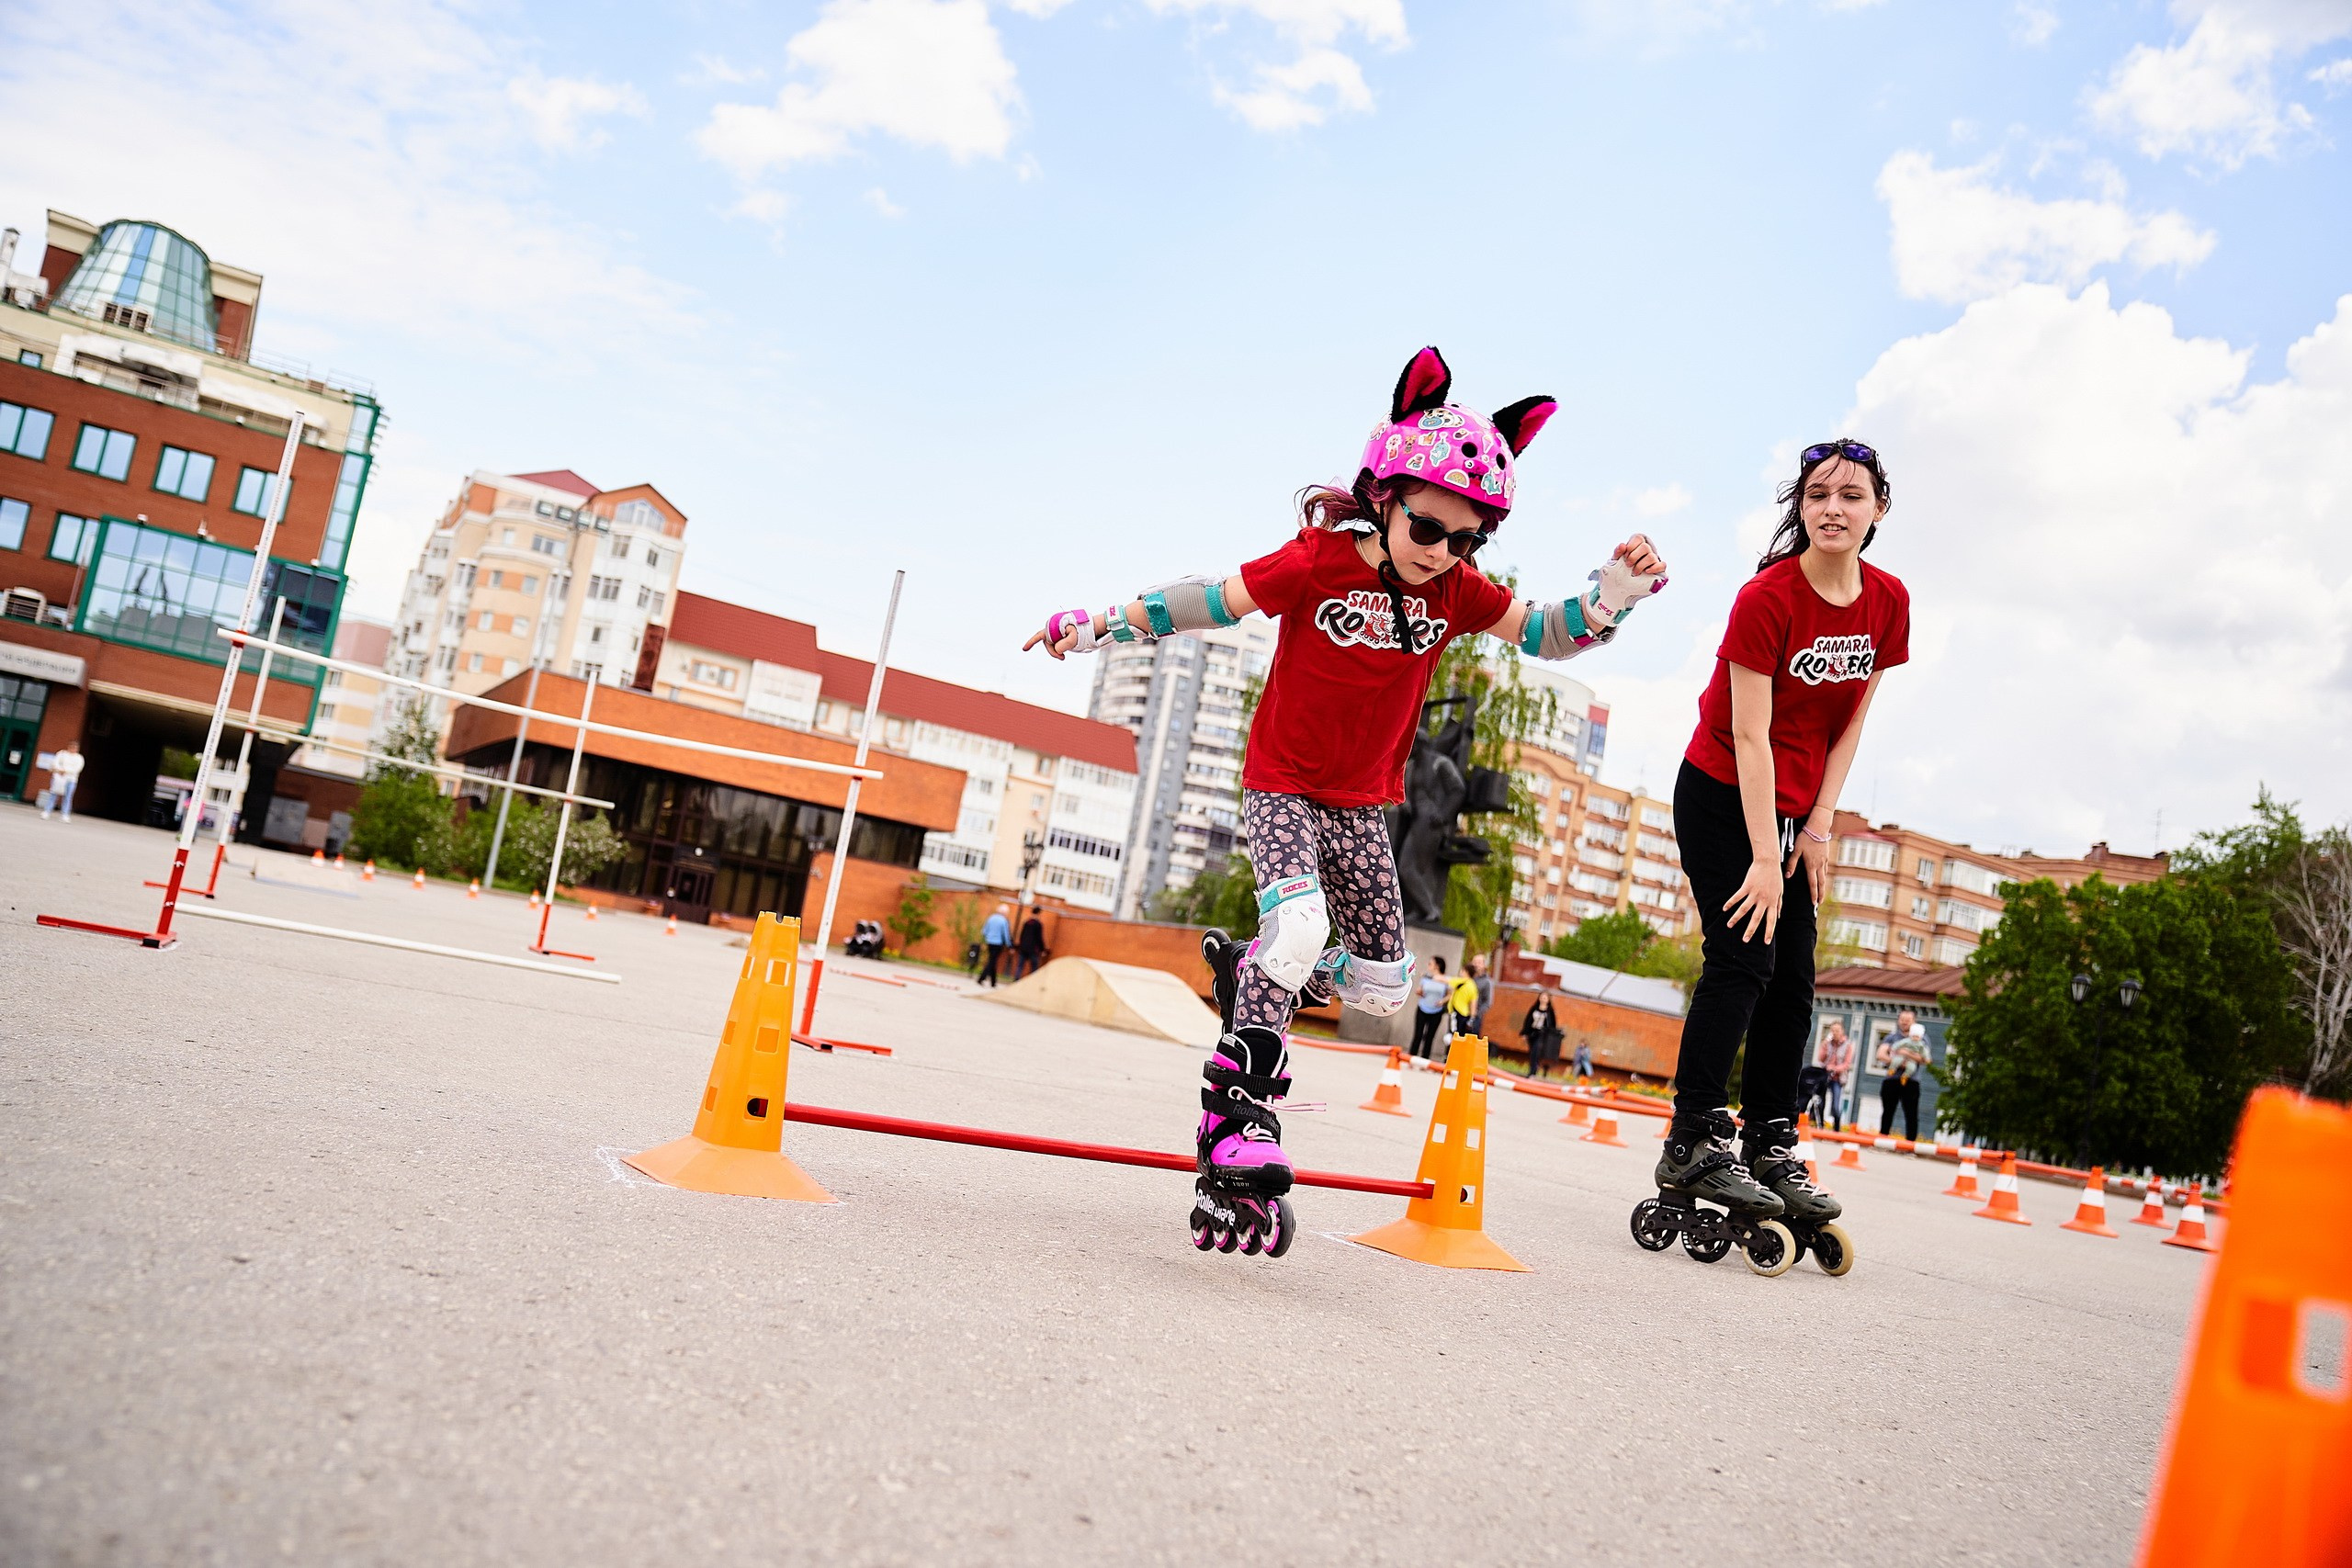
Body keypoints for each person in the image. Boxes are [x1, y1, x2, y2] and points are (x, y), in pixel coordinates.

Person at [1026, 345, 1667, 1254]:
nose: (1444, 554)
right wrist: (1099, 624)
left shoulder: (1454, 590)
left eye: (1468, 541)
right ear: (1382, 497)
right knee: (1297, 932)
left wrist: (1614, 595)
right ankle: (1239, 1112)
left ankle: (1250, 976)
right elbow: (1208, 599)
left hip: (1361, 803)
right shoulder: (1316, 562)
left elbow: (1546, 636)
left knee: (1381, 990)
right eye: (1429, 531)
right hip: (1282, 783)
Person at [1647, 438, 1908, 1252]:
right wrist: (1767, 855)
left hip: (1796, 811)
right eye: (1819, 493)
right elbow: (1751, 735)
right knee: (1741, 957)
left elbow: (1853, 718)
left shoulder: (1889, 601)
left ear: (1878, 510)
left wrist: (1821, 827)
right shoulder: (1766, 599)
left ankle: (1770, 1139)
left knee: (1795, 977)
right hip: (1725, 792)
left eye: (1852, 494)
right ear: (1800, 506)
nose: (1834, 506)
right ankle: (1693, 1136)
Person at [1879, 1011, 1931, 1140]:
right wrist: (1898, 1062)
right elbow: (1881, 1054)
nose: (1904, 1022)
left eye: (1908, 1020)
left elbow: (1925, 1058)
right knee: (1887, 1111)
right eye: (1902, 1019)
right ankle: (1883, 1139)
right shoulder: (1891, 1037)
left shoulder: (1923, 1038)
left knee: (1911, 1113)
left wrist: (1904, 1053)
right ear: (1898, 1021)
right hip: (1892, 1079)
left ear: (1914, 1022)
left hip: (1911, 1080)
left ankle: (1910, 1145)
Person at [1815, 1020, 1856, 1130]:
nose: (1834, 1033)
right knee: (1820, 1101)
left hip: (1838, 1078)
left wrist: (1835, 1069)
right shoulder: (1827, 1044)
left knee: (1836, 1104)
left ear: (1842, 1031)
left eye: (1837, 1030)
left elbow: (1847, 1064)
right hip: (1825, 1076)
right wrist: (1824, 1045)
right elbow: (1821, 1059)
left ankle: (1836, 1128)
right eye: (1832, 1030)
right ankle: (1820, 1126)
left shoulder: (1848, 1045)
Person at [1409, 954, 1452, 1061]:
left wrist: (1442, 1001)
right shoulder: (1426, 978)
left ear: (1437, 966)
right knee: (1418, 1034)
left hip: (1436, 1011)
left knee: (1429, 1037)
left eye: (1430, 964)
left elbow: (1449, 994)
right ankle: (1411, 1057)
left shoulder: (1445, 980)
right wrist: (1419, 992)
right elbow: (1420, 990)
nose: (1428, 966)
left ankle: (1424, 1059)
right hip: (1423, 1008)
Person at [1521, 989, 1562, 1078]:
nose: (1543, 999)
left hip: (1542, 1035)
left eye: (1545, 998)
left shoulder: (1549, 1011)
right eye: (1542, 997)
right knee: (1532, 1052)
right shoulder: (1534, 1008)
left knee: (1536, 1051)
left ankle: (1533, 1072)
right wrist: (1525, 1033)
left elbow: (1553, 1024)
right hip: (1532, 1033)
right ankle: (1532, 1069)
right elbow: (1528, 1020)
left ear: (1548, 999)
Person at [40, 741, 83, 820]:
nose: (73, 749)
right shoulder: (62, 754)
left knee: (68, 796)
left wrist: (66, 771)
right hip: (59, 778)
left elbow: (77, 769)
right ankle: (47, 811)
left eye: (75, 747)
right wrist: (60, 770)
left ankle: (65, 814)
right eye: (72, 747)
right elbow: (55, 763)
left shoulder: (79, 758)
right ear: (69, 747)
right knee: (53, 794)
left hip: (71, 779)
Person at [978, 903, 1012, 987]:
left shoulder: (991, 918)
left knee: (992, 960)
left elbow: (984, 931)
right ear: (1005, 912)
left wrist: (987, 939)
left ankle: (993, 982)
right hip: (998, 944)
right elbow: (1005, 934)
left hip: (990, 942)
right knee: (992, 961)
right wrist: (1009, 945)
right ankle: (982, 978)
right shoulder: (1003, 920)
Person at [1014, 908, 1047, 980]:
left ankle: (1016, 980)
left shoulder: (1026, 922)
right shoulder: (1038, 924)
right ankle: (1032, 982)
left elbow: (1022, 935)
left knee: (1020, 966)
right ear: (1038, 913)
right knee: (1034, 967)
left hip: (1023, 948)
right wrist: (1042, 949)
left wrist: (1021, 945)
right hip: (1033, 949)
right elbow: (1039, 938)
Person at [1467, 953, 1494, 1036]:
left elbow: (1487, 1002)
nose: (1476, 965)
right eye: (1474, 962)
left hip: (1474, 1018)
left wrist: (1476, 1013)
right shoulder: (1466, 978)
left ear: (1484, 965)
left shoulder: (1487, 982)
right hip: (1461, 1014)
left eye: (1479, 962)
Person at [1447, 966, 1478, 1035]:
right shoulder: (1473, 985)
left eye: (1462, 970)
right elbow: (1473, 1004)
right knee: (1460, 1035)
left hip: (1456, 1012)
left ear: (1466, 972)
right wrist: (1472, 1019)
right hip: (1465, 1014)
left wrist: (1430, 976)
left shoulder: (1460, 981)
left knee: (1452, 1035)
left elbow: (1445, 979)